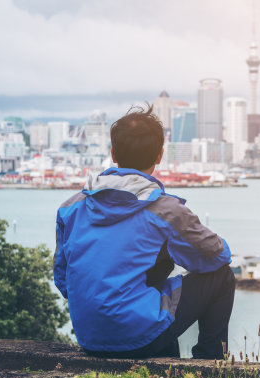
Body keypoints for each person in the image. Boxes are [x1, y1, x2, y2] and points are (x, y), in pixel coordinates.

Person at [53, 104, 235, 359]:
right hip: (137, 337)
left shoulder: (70, 208)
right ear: (160, 155)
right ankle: (209, 364)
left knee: (151, 276)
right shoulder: (164, 210)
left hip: (89, 337)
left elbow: (63, 280)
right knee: (222, 277)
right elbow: (217, 256)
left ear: (113, 153)